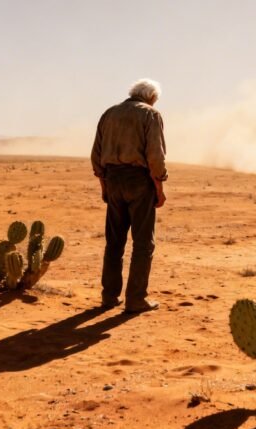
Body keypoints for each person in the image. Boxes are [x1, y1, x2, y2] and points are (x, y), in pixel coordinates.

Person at [90, 78, 167, 313]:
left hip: (112, 180)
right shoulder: (150, 115)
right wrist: (159, 189)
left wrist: (105, 187)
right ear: (151, 97)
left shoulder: (109, 114)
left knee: (114, 242)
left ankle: (109, 296)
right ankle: (136, 299)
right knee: (143, 243)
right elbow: (155, 157)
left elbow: (96, 155)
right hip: (139, 181)